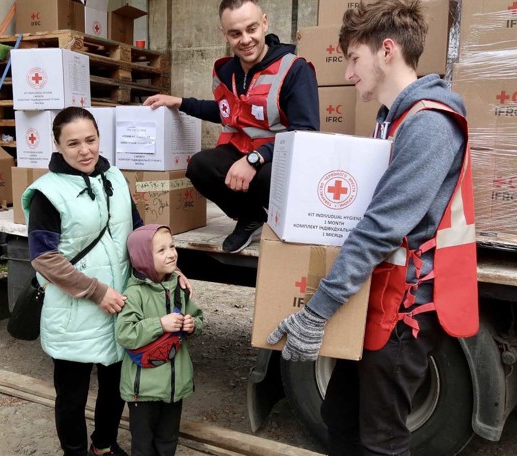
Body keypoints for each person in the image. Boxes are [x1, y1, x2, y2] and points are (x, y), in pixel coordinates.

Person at [266, 1, 479, 455]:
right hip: (376, 298)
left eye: (353, 58)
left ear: (387, 50)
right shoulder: (393, 119)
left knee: (381, 440)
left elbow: (381, 227)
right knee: (339, 415)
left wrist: (317, 311)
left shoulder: (428, 124)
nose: (347, 73)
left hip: (404, 313)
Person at [143, 0, 320, 253]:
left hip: (278, 156)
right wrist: (180, 102)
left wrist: (255, 160)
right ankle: (251, 218)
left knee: (267, 178)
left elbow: (306, 133)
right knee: (199, 166)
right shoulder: (227, 71)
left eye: (252, 29)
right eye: (235, 33)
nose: (245, 40)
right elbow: (227, 112)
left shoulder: (294, 69)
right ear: (224, 34)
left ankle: (290, 222)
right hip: (242, 148)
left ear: (265, 23)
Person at [22, 107, 142, 456]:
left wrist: (167, 267)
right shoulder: (48, 193)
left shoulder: (116, 178)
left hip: (118, 305)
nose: (85, 150)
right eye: (73, 143)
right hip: (75, 311)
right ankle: (74, 452)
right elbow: (44, 259)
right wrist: (95, 291)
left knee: (114, 387)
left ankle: (103, 444)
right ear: (58, 145)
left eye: (90, 139)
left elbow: (136, 231)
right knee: (72, 395)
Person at [116, 224, 203, 456]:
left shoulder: (179, 287)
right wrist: (160, 324)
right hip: (143, 391)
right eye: (161, 250)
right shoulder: (135, 293)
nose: (171, 253)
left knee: (168, 441)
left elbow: (198, 317)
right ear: (144, 257)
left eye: (172, 246)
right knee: (143, 446)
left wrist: (193, 325)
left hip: (175, 388)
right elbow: (125, 333)